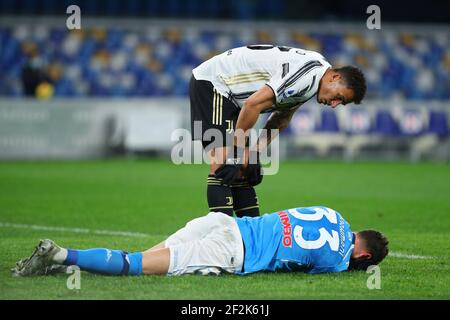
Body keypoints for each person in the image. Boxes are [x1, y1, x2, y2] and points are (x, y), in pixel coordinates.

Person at [189, 45, 367, 217]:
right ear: (334, 78)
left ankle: (254, 240)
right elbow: (253, 104)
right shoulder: (308, 74)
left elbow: (281, 118)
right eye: (339, 97)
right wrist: (237, 151)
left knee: (242, 169)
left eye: (340, 103)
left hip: (233, 96)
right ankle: (222, 236)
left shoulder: (314, 80)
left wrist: (254, 153)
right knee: (223, 162)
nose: (334, 104)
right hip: (214, 82)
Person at [12, 206, 388, 277]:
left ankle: (58, 265)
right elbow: (326, 263)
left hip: (223, 222)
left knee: (143, 256)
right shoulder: (339, 259)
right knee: (136, 266)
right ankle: (62, 255)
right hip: (229, 252)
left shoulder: (332, 212)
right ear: (364, 254)